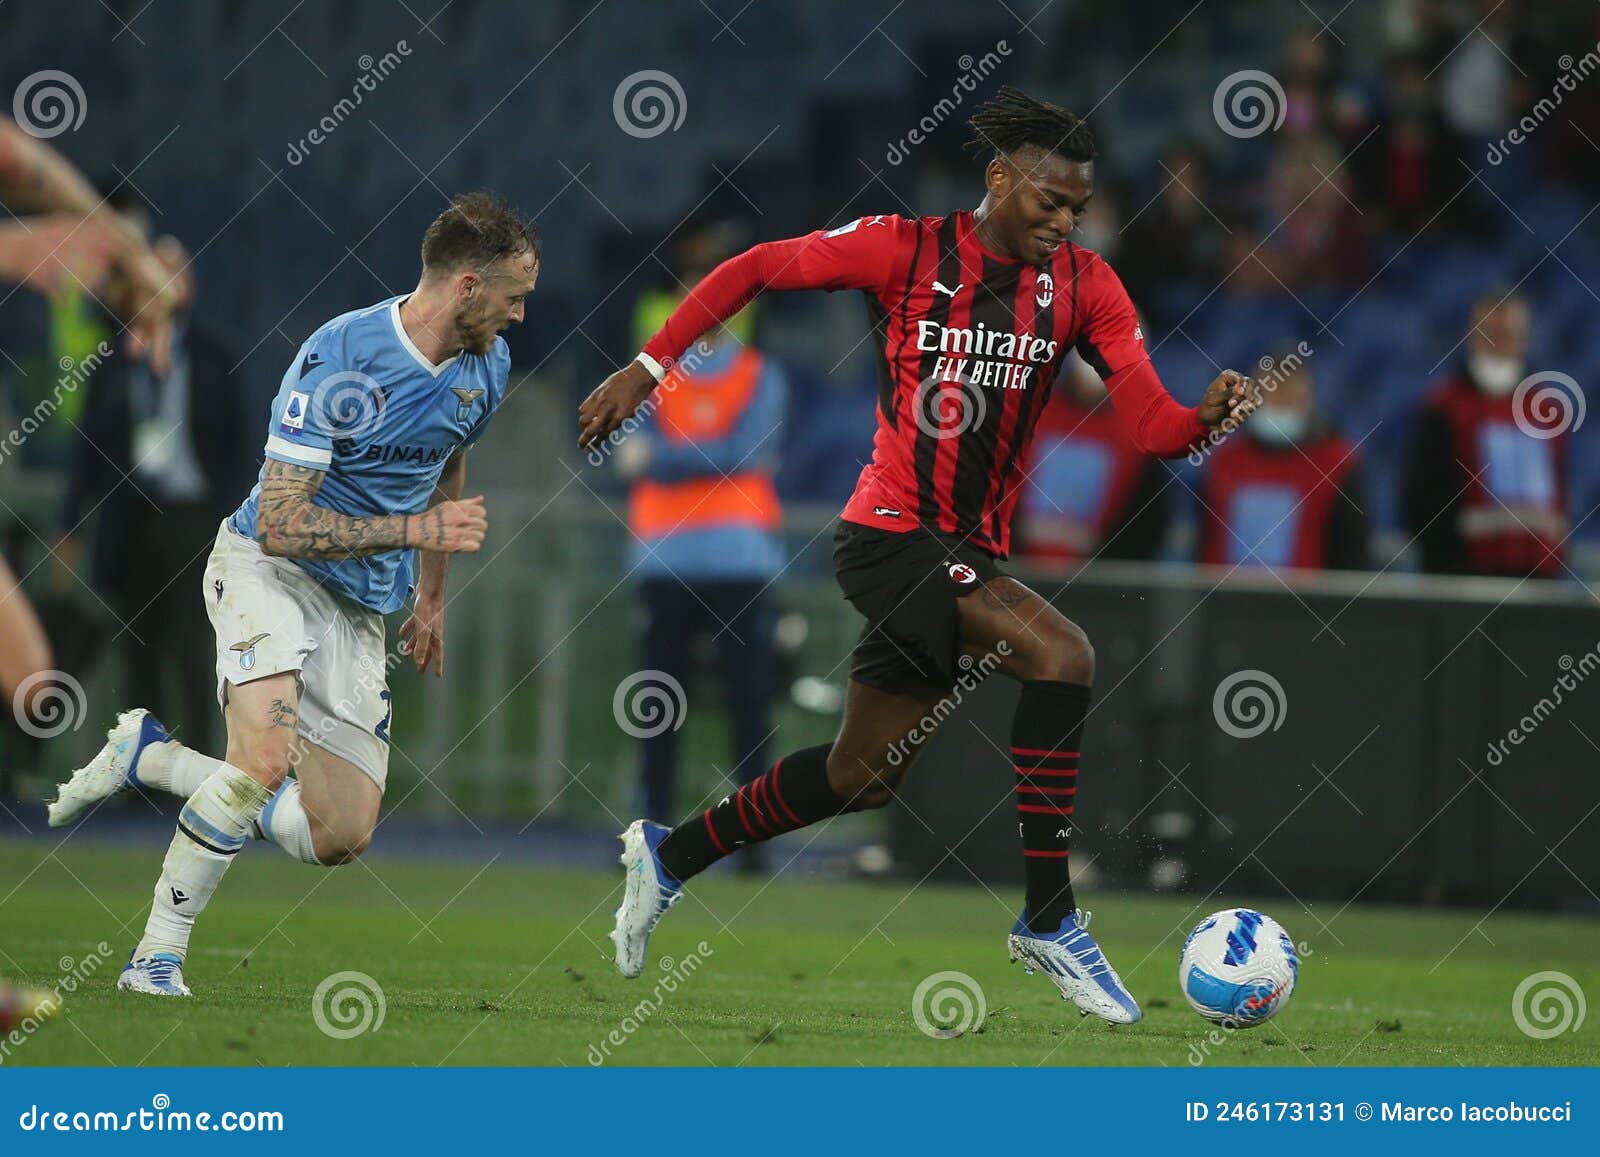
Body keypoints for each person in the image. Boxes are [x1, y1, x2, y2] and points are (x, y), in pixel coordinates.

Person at [579, 87, 1259, 1025]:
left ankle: (671, 852)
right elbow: (753, 268)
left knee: (864, 774)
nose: (1066, 220)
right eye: (1049, 200)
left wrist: (1201, 421)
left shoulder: (1088, 288)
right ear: (999, 178)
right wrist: (648, 369)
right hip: (891, 534)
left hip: (970, 549)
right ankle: (1050, 917)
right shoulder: (905, 248)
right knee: (1062, 655)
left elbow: (1151, 424)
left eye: (1079, 206)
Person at [47, 192, 539, 997]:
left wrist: (431, 595)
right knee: (264, 758)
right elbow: (279, 522)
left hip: (359, 604)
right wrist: (415, 535)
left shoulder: (486, 365)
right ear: (466, 287)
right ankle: (155, 957)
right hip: (264, 570)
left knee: (339, 834)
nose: (521, 315)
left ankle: (157, 758)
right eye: (513, 296)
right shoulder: (341, 355)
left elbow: (450, 463)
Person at [59, 234, 252, 754]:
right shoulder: (115, 360)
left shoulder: (213, 355)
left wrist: (238, 522)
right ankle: (147, 768)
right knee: (139, 646)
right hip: (133, 516)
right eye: (149, 272)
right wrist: (70, 523)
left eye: (170, 271)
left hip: (194, 518)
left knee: (194, 645)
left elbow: (238, 445)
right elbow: (89, 447)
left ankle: (204, 766)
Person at [620, 253, 787, 841]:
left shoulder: (758, 374)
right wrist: (709, 457)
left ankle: (753, 835)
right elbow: (630, 452)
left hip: (737, 563)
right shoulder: (652, 375)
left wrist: (663, 460)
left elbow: (745, 453)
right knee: (659, 708)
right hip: (665, 561)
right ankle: (651, 834)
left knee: (749, 702)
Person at [1403, 291, 1565, 579]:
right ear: (1472, 336)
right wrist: (1446, 571)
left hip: (1539, 580)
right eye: (1491, 332)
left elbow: (1560, 499)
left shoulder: (1546, 411)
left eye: (1509, 333)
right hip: (1465, 579)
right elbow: (1422, 500)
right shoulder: (1444, 408)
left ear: (1525, 339)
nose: (1500, 341)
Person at [1200, 356, 1370, 571]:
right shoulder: (1224, 461)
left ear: (1308, 400)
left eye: (1290, 396)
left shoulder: (1337, 465)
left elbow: (1351, 553)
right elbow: (1206, 542)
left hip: (1306, 600)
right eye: (1274, 394)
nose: (1282, 402)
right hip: (1225, 597)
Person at [1016, 354, 1170, 567]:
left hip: (1094, 580)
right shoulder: (1032, 412)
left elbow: (1145, 525)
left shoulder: (1139, 439)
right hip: (1018, 565)